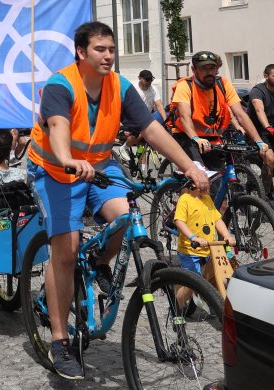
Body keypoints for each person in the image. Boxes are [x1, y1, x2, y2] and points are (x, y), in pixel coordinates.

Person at [27, 21, 209, 380]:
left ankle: (98, 261)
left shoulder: (119, 87)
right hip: (54, 169)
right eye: (100, 49)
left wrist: (189, 166)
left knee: (126, 220)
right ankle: (60, 342)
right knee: (66, 246)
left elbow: (152, 129)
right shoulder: (60, 86)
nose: (108, 55)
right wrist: (67, 159)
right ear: (81, 52)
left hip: (100, 168)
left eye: (111, 49)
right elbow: (59, 127)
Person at [168, 50, 269, 170]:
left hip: (213, 137)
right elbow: (185, 116)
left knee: (217, 179)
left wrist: (258, 141)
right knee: (198, 175)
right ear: (194, 69)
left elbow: (240, 114)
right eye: (204, 68)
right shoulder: (185, 86)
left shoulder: (223, 84)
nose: (209, 72)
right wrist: (196, 138)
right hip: (187, 136)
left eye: (212, 68)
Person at [174, 183, 235, 277]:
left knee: (213, 279)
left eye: (209, 182)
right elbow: (179, 221)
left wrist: (226, 235)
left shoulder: (207, 199)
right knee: (191, 281)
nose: (208, 185)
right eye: (204, 183)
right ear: (194, 183)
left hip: (208, 250)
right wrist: (193, 238)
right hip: (190, 251)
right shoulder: (185, 199)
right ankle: (179, 288)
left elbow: (217, 220)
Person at [247, 64, 274, 197]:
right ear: (266, 76)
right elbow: (259, 110)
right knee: (270, 159)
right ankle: (265, 196)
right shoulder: (257, 91)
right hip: (258, 131)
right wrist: (267, 126)